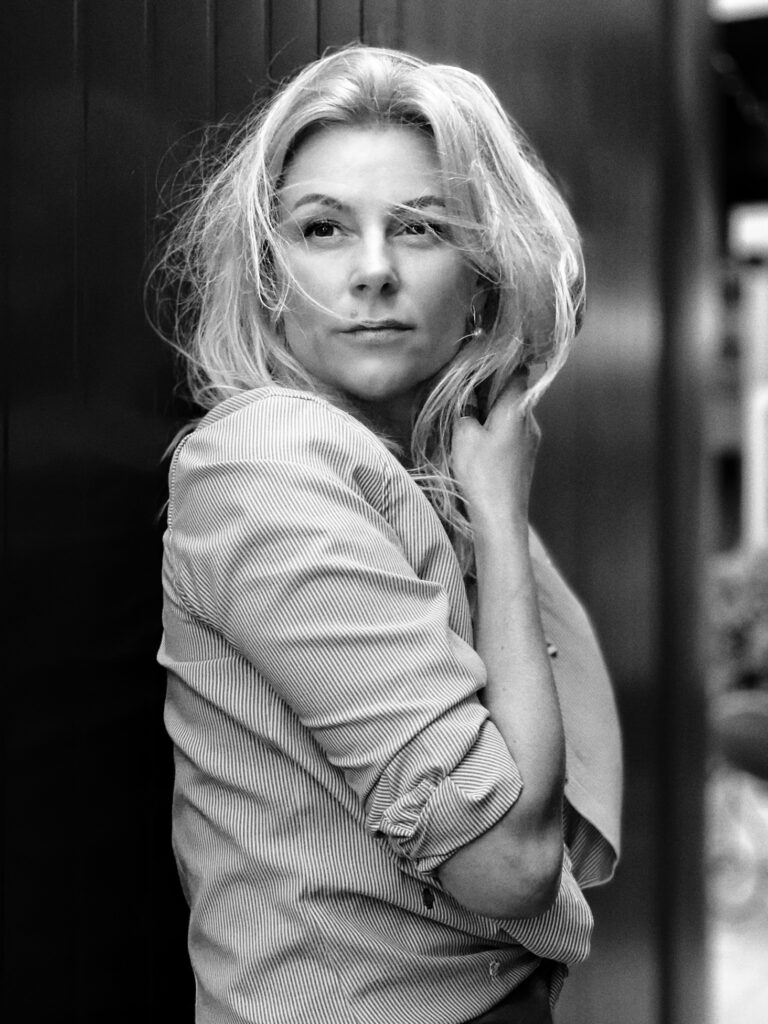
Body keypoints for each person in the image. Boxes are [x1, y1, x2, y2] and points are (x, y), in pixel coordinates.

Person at [154, 44, 622, 1024]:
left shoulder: (424, 467)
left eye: (419, 227)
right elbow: (510, 865)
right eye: (322, 228)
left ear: (483, 276)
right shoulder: (267, 462)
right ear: (270, 274)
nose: (371, 272)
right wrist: (502, 520)